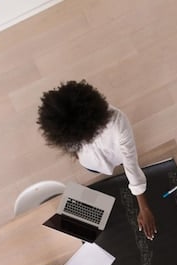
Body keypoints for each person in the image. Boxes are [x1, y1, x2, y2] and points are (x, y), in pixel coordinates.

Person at [37, 80, 157, 239]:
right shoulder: (69, 133)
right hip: (92, 163)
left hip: (117, 155)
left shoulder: (117, 122)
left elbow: (131, 164)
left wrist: (144, 208)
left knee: (124, 162)